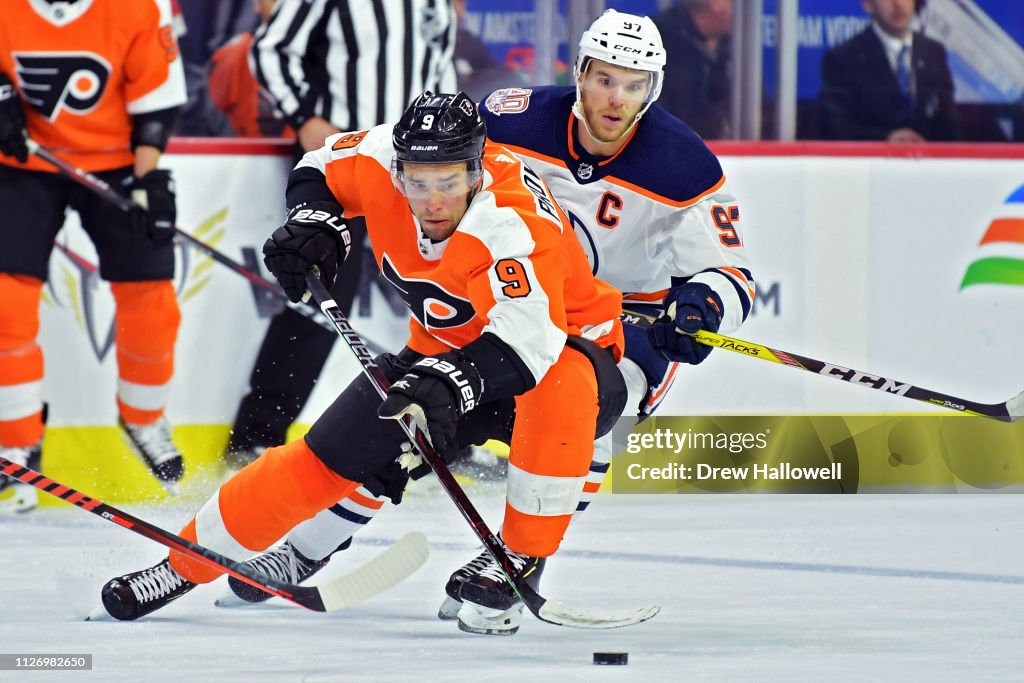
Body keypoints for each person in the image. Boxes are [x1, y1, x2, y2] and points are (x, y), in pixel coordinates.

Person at [214, 9, 756, 635]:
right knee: (414, 418)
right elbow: (426, 163)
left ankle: (516, 561)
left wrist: (699, 307)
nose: (616, 98)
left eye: (634, 85)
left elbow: (731, 271)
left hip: (616, 321)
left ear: (653, 90)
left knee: (590, 424)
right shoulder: (513, 114)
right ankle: (309, 546)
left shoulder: (684, 162)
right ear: (579, 72)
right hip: (509, 305)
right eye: (605, 79)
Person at [99, 91, 627, 637]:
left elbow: (530, 344)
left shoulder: (511, 223)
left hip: (569, 360)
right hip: (442, 351)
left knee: (562, 382)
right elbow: (320, 165)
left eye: (448, 182)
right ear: (397, 169)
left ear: (476, 167)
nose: (432, 201)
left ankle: (517, 559)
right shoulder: (380, 157)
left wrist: (451, 384)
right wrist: (316, 223)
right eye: (416, 182)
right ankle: (183, 565)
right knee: (329, 455)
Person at [222, 0, 457, 471]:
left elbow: (440, 71)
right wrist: (305, 116)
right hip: (343, 162)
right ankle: (258, 432)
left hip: (421, 168)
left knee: (447, 294)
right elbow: (270, 48)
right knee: (322, 290)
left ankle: (449, 435)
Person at [0, 0, 188, 512]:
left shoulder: (138, 8)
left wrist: (148, 181)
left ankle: (143, 415)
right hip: (22, 162)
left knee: (152, 301)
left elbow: (155, 103)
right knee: (5, 304)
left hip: (118, 162)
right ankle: (15, 444)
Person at [819, 0, 958, 142]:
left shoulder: (933, 53)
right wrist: (886, 140)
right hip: (871, 161)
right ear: (868, 4)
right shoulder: (843, 59)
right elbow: (837, 129)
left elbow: (949, 126)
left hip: (930, 161)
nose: (898, 3)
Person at [207, 0, 293, 139]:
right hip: (247, 153)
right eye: (274, 1)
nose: (281, 8)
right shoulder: (235, 54)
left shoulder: (321, 54)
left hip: (308, 150)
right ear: (257, 4)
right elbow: (210, 115)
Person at [651, 0, 734, 140]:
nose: (736, 11)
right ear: (717, 3)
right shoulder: (656, 39)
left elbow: (760, 111)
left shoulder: (739, 47)